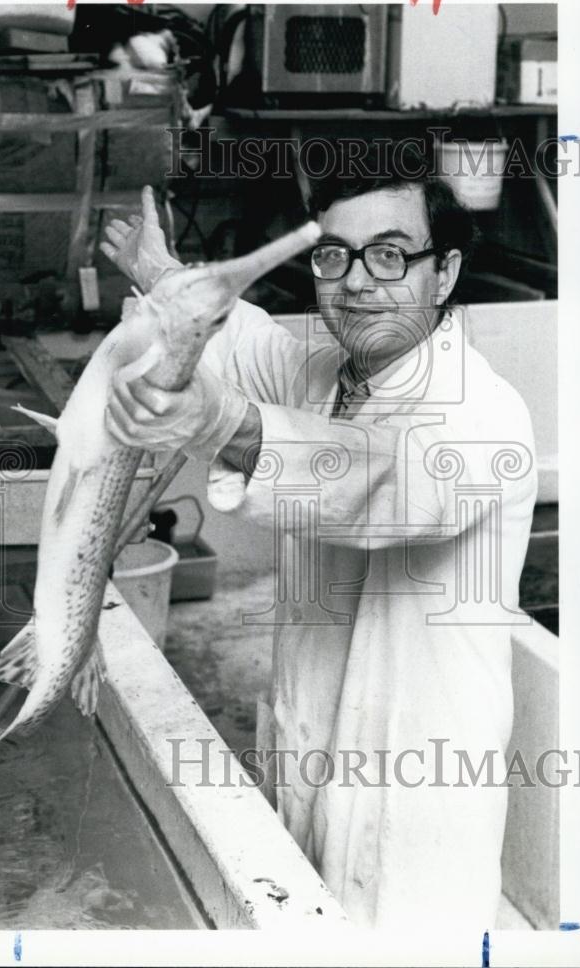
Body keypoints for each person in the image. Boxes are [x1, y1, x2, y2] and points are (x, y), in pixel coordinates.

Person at [100, 146, 537, 930]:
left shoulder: (481, 413)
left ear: (444, 274)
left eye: (390, 255)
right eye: (335, 256)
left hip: (415, 812)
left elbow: (381, 476)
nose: (359, 280)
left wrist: (218, 422)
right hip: (314, 760)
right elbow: (248, 341)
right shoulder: (326, 374)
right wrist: (161, 272)